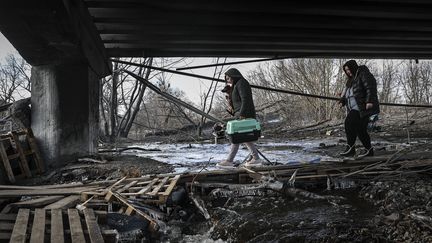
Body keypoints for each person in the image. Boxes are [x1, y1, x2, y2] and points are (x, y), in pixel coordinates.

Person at [217, 68, 262, 167]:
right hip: (240, 113)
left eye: (229, 77)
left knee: (236, 136)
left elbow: (246, 99)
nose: (228, 80)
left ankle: (229, 160)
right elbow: (238, 102)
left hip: (245, 114)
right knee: (243, 137)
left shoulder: (242, 83)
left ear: (234, 75)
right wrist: (233, 111)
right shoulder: (236, 85)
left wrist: (242, 113)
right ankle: (256, 158)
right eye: (226, 78)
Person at [339, 60, 380, 157]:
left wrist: (369, 101)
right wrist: (343, 101)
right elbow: (350, 94)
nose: (348, 72)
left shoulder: (363, 74)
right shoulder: (351, 80)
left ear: (353, 67)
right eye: (346, 70)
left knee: (349, 123)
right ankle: (369, 150)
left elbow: (370, 87)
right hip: (354, 107)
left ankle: (350, 148)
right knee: (360, 129)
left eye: (349, 69)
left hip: (362, 107)